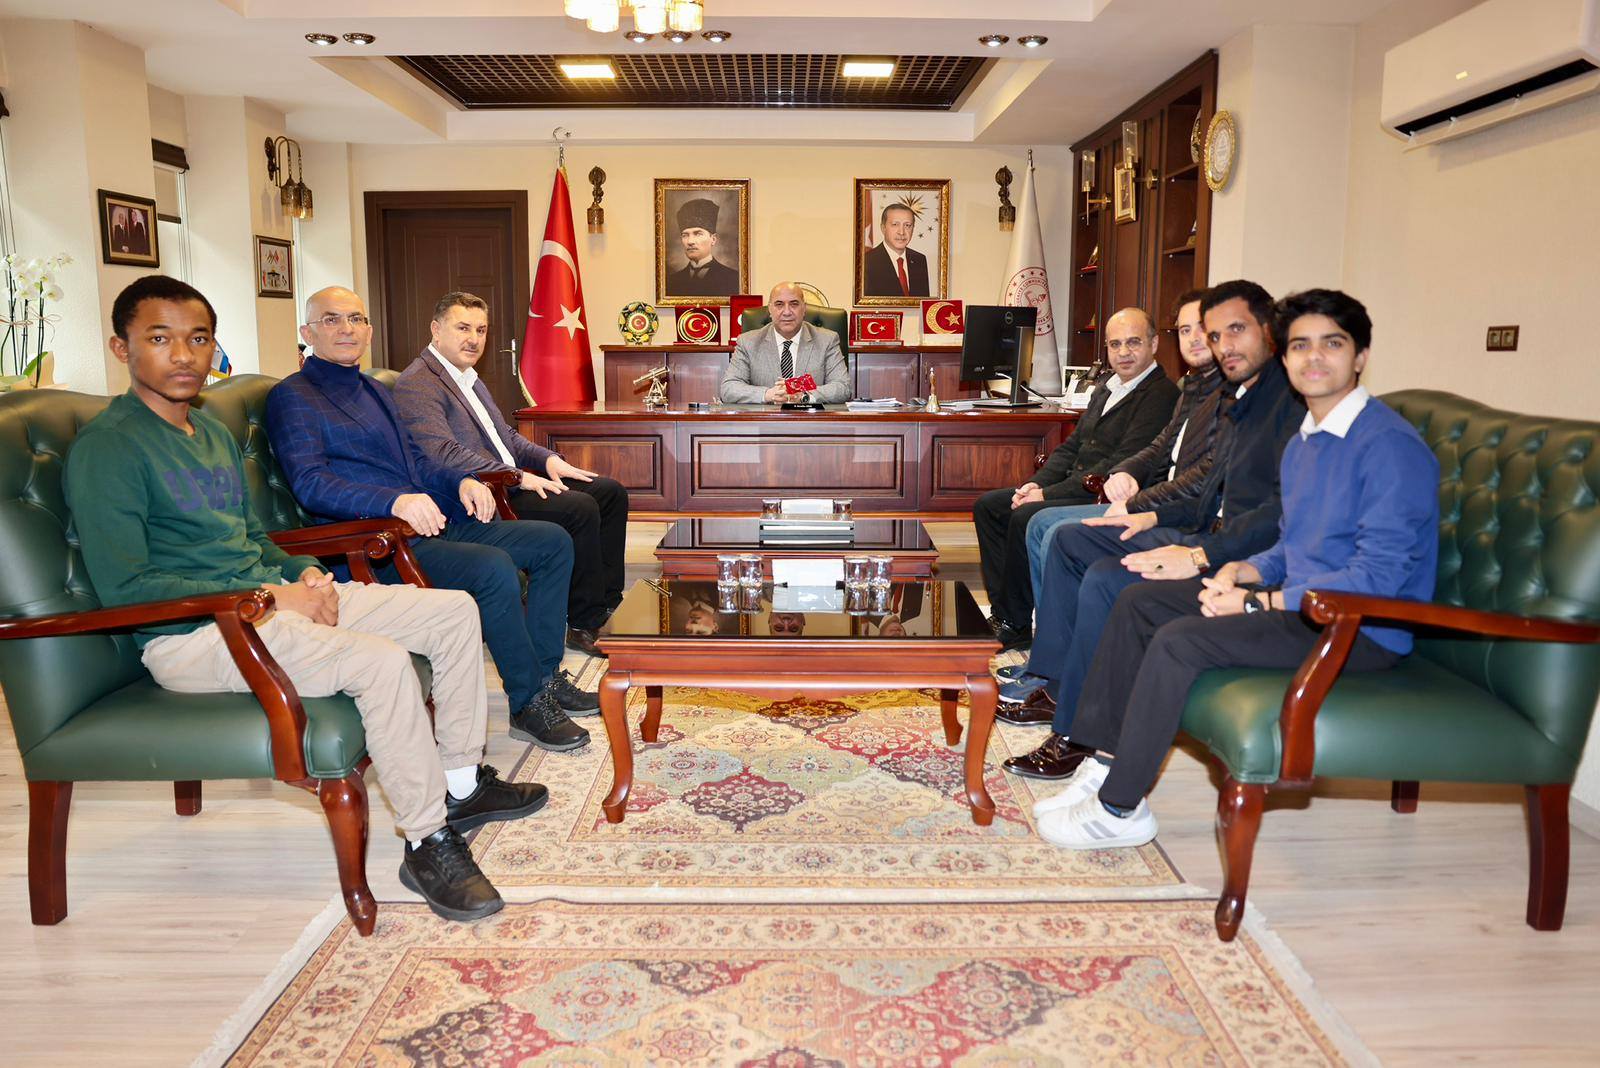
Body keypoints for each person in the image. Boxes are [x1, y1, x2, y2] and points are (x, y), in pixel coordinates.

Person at [66, 274, 546, 922]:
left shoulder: (207, 433)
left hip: (263, 600)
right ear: (122, 349)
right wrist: (271, 595)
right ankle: (426, 840)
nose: (182, 354)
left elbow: (251, 538)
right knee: (381, 662)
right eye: (160, 338)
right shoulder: (108, 449)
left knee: (455, 610)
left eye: (198, 339)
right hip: (194, 634)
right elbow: (125, 587)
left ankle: (460, 784)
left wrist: (306, 575)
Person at [1036, 289, 1439, 848]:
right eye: (1300, 345)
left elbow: (1379, 579)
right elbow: (1291, 542)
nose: (1313, 357)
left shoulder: (1388, 445)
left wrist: (1257, 601)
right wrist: (1243, 572)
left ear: (1361, 356)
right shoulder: (1309, 441)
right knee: (1138, 602)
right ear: (1285, 354)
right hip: (1300, 602)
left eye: (1332, 344)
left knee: (1178, 641)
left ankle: (1120, 809)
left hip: (1357, 627)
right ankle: (1104, 765)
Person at [266, 286, 599, 756]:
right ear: (307, 331)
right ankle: (527, 703)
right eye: (331, 320)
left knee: (552, 541)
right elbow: (311, 484)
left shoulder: (375, 390)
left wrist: (463, 479)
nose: (346, 329)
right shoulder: (292, 396)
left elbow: (418, 461)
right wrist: (395, 500)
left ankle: (545, 678)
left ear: (369, 331)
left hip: (428, 523)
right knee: (493, 568)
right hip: (370, 544)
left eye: (356, 319)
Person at [1002, 280, 1305, 778]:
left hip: (1218, 543)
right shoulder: (1222, 393)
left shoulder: (1275, 404)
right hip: (1191, 523)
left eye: (1230, 331)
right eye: (1205, 332)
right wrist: (1148, 512)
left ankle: (1078, 728)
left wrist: (1192, 548)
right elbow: (1182, 465)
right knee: (1069, 538)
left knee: (1098, 570)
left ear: (1267, 333)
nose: (1214, 343)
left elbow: (1260, 510)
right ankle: (1056, 683)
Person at [393, 291, 629, 658]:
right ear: (436, 330)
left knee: (610, 493)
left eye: (481, 330)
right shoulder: (419, 382)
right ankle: (583, 622)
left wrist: (548, 460)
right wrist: (517, 476)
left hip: (508, 479)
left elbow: (505, 436)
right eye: (463, 328)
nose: (474, 339)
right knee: (579, 508)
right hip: (484, 494)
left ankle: (606, 603)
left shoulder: (468, 377)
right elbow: (442, 453)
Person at [1018, 290, 1223, 639]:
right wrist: (1125, 472)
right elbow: (1158, 448)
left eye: (1201, 329)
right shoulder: (1192, 387)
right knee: (1033, 520)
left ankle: (1058, 641)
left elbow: (1206, 475)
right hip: (1154, 502)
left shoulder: (1195, 394)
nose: (1193, 339)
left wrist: (1137, 503)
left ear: (1154, 344)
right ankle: (1041, 634)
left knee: (1055, 531)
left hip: (1185, 518)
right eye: (1185, 330)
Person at [973, 307, 1177, 650]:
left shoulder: (1161, 395)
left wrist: (1046, 495)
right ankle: (1007, 612)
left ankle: (1014, 620)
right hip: (1073, 484)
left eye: (1133, 342)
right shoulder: (1106, 387)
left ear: (1154, 344)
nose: (1123, 352)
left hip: (1102, 493)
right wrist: (1037, 484)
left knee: (1025, 515)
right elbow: (1072, 447)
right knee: (990, 506)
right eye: (1115, 344)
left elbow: (1121, 461)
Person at [719, 282, 850, 404]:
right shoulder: (748, 342)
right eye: (779, 304)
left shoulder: (827, 340)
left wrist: (802, 395)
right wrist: (768, 394)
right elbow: (728, 388)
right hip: (764, 419)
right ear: (770, 309)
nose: (787, 312)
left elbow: (843, 387)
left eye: (794, 304)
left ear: (804, 308)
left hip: (811, 420)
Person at [665, 198, 740, 297]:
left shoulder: (733, 279)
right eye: (685, 235)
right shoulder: (671, 281)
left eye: (698, 234)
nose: (690, 241)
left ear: (713, 239)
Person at [862, 203, 929, 298]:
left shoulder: (919, 260)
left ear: (913, 229)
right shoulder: (867, 261)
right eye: (895, 224)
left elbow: (922, 302)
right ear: (883, 228)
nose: (901, 232)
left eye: (907, 225)